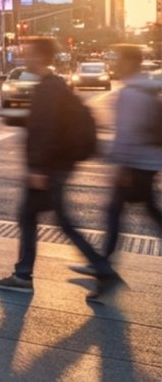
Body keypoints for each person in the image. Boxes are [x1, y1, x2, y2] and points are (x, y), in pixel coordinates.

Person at [0, 37, 120, 298]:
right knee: (57, 221)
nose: (25, 58)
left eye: (30, 54)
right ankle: (99, 270)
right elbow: (44, 125)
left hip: (48, 169)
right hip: (56, 166)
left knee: (34, 218)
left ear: (40, 57)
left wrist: (37, 168)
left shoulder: (48, 88)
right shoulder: (54, 85)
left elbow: (45, 130)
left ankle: (25, 275)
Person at [78, 44, 162, 280]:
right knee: (145, 210)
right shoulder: (146, 87)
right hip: (149, 161)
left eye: (118, 60)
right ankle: (103, 262)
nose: (115, 64)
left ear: (130, 63)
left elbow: (128, 132)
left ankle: (103, 265)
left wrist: (120, 164)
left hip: (135, 164)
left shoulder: (131, 92)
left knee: (115, 212)